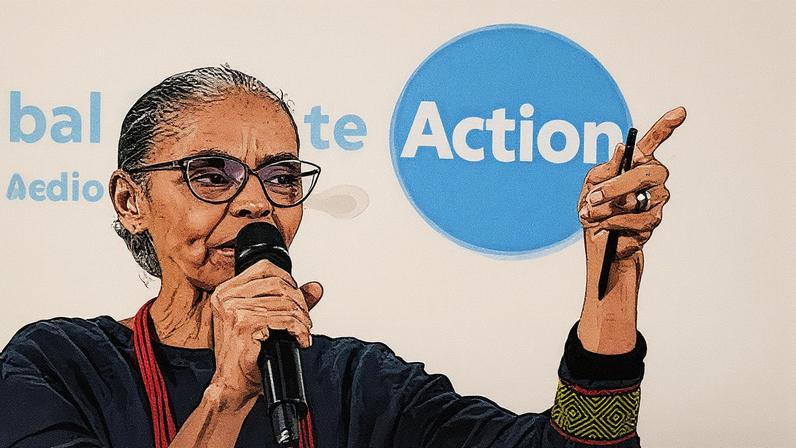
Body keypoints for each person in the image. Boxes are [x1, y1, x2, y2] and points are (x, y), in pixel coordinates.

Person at [0, 66, 685, 447]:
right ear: (130, 200)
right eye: (212, 174)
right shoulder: (55, 366)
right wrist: (228, 395)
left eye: (280, 177)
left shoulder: (359, 382)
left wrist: (613, 275)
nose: (256, 204)